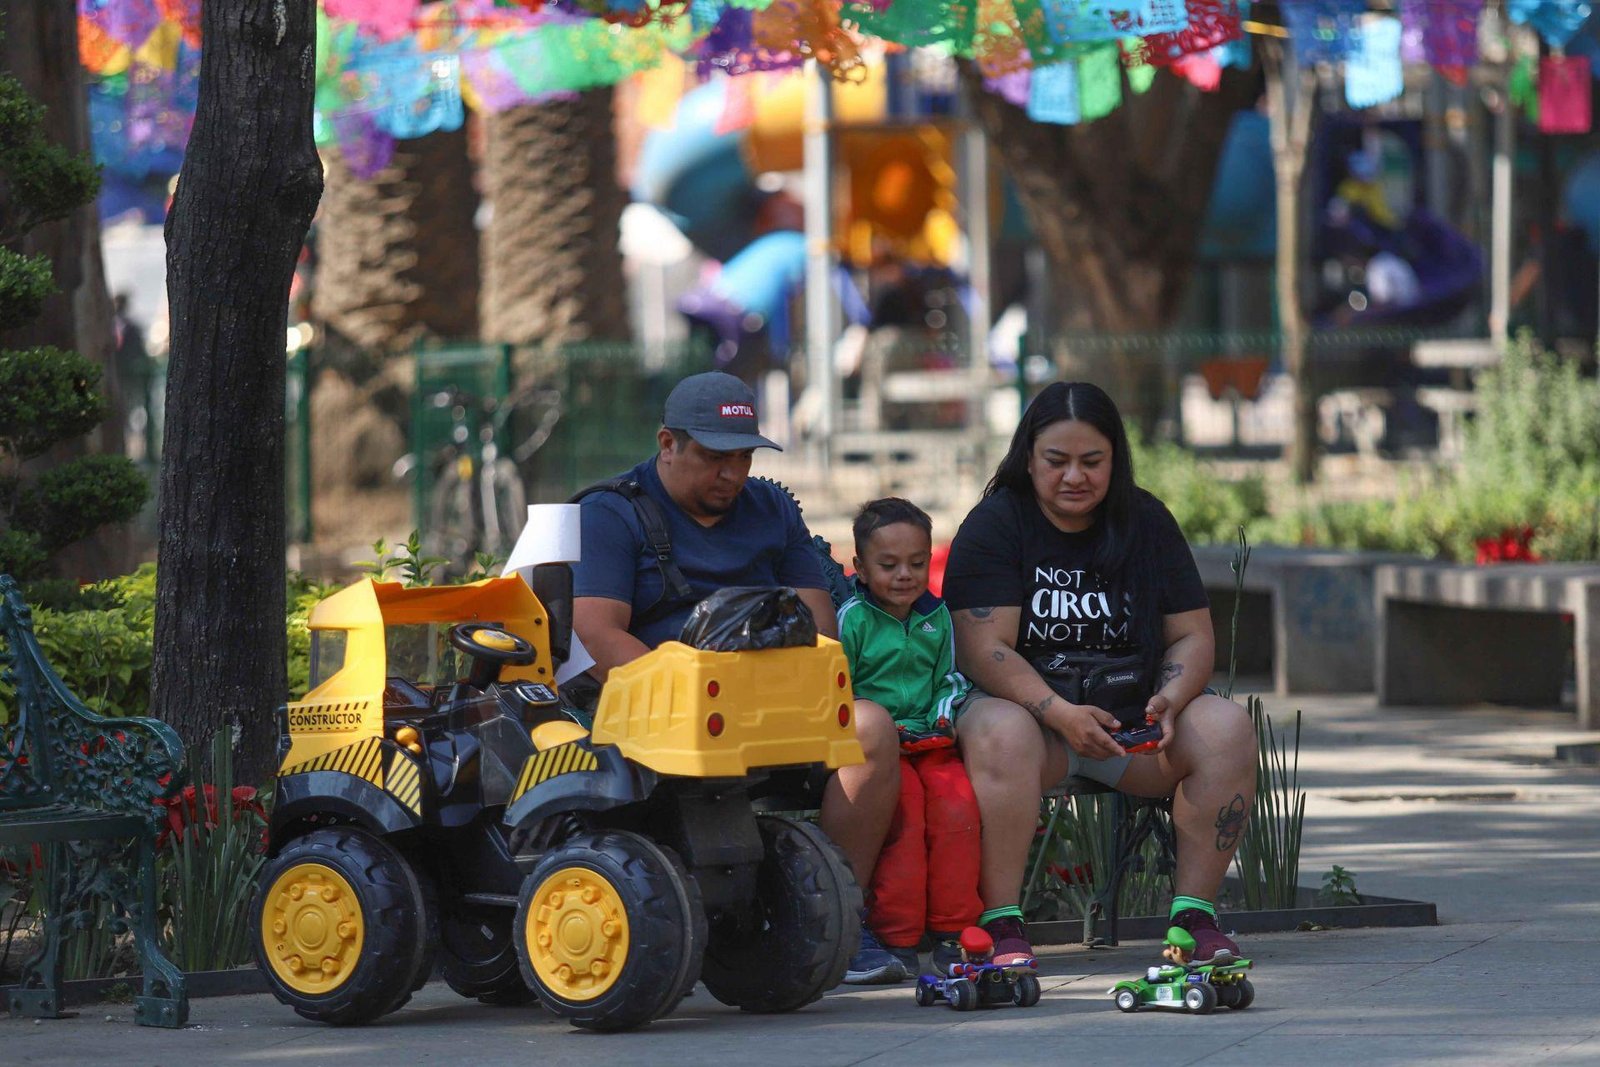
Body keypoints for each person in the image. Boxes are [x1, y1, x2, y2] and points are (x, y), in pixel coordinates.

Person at [569, 371, 903, 972]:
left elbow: (819, 626)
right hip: (655, 708)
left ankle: (834, 921)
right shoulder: (612, 513)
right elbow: (595, 636)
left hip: (768, 699)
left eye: (744, 456)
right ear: (667, 443)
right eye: (714, 457)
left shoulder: (771, 507)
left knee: (872, 729)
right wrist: (692, 695)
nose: (732, 474)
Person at [942, 381, 1257, 969]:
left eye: (1092, 462)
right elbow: (983, 648)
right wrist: (1058, 713)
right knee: (998, 728)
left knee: (1226, 727)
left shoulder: (1148, 522)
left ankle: (1194, 919)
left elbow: (1192, 633)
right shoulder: (996, 525)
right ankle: (1003, 924)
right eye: (1056, 462)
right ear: (1028, 459)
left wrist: (1171, 696)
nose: (1074, 477)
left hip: (1133, 729)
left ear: (1115, 459)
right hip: (1036, 732)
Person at [836, 498, 980, 984]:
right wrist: (881, 726)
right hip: (879, 749)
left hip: (931, 740)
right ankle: (895, 934)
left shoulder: (936, 616)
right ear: (859, 566)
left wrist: (942, 717)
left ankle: (954, 930)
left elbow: (951, 680)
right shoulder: (852, 619)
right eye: (889, 565)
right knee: (904, 809)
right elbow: (842, 688)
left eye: (918, 564)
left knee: (957, 803)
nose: (905, 575)